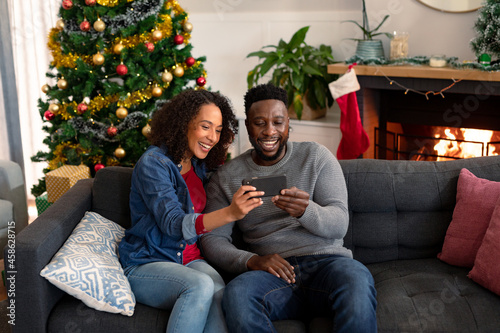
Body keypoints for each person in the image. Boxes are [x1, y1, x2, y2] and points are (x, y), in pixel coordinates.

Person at [200, 83, 377, 333]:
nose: (269, 131)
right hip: (273, 274)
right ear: (247, 127)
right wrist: (252, 260)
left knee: (357, 279)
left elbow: (340, 222)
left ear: (288, 124)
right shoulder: (227, 176)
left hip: (328, 265)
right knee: (237, 294)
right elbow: (212, 239)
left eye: (277, 122)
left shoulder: (316, 156)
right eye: (260, 123)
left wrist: (306, 211)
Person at [118, 89, 265, 333]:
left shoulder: (198, 164)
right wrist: (230, 213)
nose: (213, 137)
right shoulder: (154, 163)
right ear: (184, 124)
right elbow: (174, 224)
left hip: (189, 260)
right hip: (148, 262)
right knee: (199, 285)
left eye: (218, 130)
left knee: (220, 291)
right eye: (205, 127)